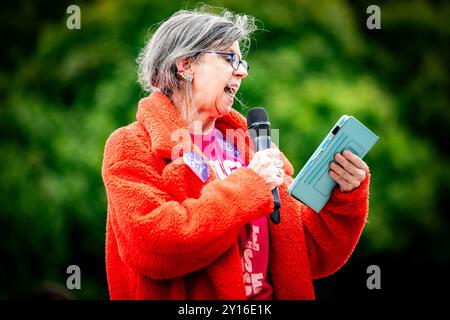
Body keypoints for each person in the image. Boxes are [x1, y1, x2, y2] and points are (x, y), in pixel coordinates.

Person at [101, 7, 371, 300]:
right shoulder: (131, 144)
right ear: (185, 65)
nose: (241, 71)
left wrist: (344, 196)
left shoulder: (252, 144)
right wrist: (250, 186)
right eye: (229, 58)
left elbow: (309, 253)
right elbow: (153, 243)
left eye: (242, 62)